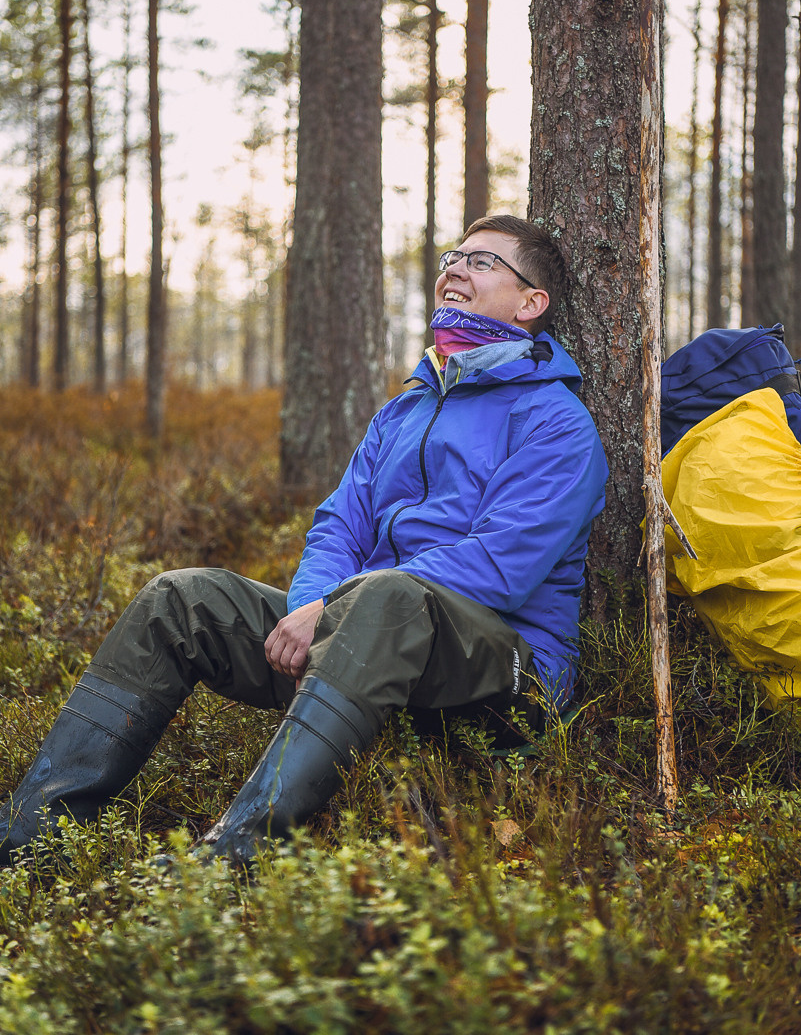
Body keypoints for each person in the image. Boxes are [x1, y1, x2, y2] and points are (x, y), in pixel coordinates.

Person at [0, 215, 608, 866]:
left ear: (529, 304)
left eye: (482, 261)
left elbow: (497, 567)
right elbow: (339, 525)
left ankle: (231, 860)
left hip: (505, 675)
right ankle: (32, 839)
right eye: (453, 257)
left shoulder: (557, 423)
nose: (455, 267)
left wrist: (339, 608)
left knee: (389, 596)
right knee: (179, 600)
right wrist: (313, 607)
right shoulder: (402, 411)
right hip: (365, 641)